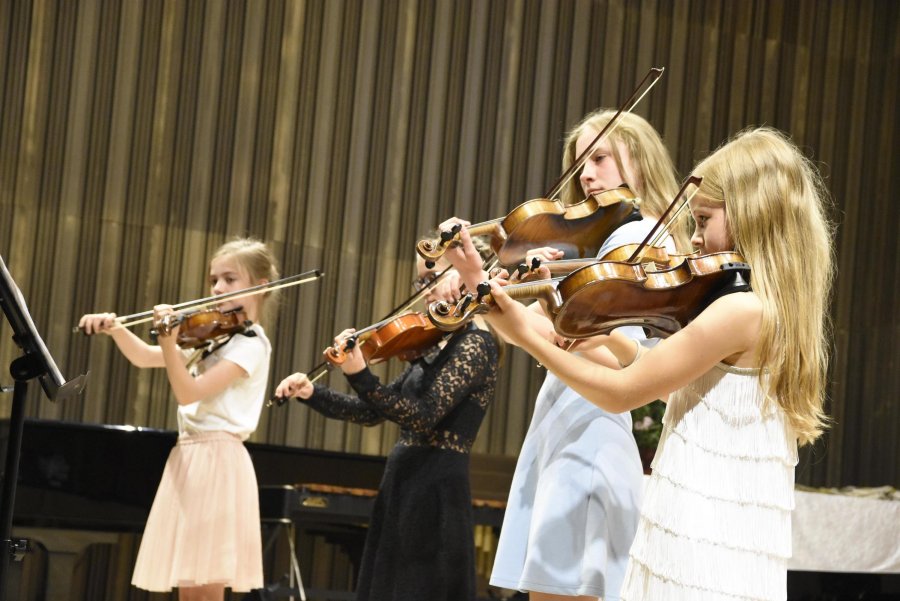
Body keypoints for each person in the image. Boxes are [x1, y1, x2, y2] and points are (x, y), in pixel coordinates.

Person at [482, 127, 834, 600]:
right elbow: (682, 389)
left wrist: (526, 335)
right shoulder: (771, 310)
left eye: (703, 220)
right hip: (724, 529)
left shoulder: (739, 310)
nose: (693, 239)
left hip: (700, 528)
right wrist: (605, 337)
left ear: (753, 215)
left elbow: (623, 393)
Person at [440, 109, 688, 601]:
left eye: (600, 158)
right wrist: (480, 284)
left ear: (640, 162)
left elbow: (622, 359)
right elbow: (540, 334)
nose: (588, 176)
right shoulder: (605, 244)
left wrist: (486, 287)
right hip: (568, 425)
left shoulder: (637, 240)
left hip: (590, 433)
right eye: (581, 166)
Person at [273, 254, 501, 601]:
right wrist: (311, 392)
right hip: (402, 481)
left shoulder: (476, 345)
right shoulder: (429, 347)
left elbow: (422, 416)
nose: (423, 293)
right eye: (419, 284)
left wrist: (360, 375)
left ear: (463, 276)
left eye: (430, 280)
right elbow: (370, 413)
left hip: (436, 489)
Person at [78, 237, 279, 601]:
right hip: (189, 458)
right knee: (190, 588)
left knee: (206, 588)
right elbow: (144, 357)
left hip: (218, 462)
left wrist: (169, 341)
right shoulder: (213, 337)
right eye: (213, 279)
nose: (217, 288)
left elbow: (188, 392)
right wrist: (117, 329)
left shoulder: (251, 344)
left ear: (260, 286)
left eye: (230, 279)